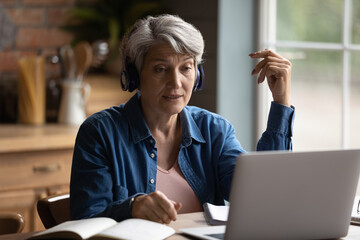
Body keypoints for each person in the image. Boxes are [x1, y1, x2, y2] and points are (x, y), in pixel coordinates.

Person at [70, 14, 294, 224]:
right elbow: (87, 219)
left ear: (198, 75)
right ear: (134, 76)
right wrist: (131, 208)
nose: (176, 82)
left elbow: (263, 197)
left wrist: (280, 102)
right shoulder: (100, 133)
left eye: (186, 68)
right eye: (160, 69)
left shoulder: (214, 130)